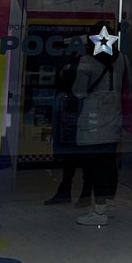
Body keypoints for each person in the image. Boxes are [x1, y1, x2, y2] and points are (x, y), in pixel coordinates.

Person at [72, 22, 132, 227]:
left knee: (94, 166)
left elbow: (79, 91)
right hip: (114, 119)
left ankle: (99, 211)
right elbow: (127, 88)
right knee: (109, 164)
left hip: (92, 121)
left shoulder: (86, 61)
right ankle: (108, 204)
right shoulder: (123, 59)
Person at [43, 55, 85, 205]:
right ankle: (83, 194)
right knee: (80, 158)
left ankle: (71, 192)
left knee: (71, 159)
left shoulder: (69, 69)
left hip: (71, 119)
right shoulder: (79, 70)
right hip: (76, 119)